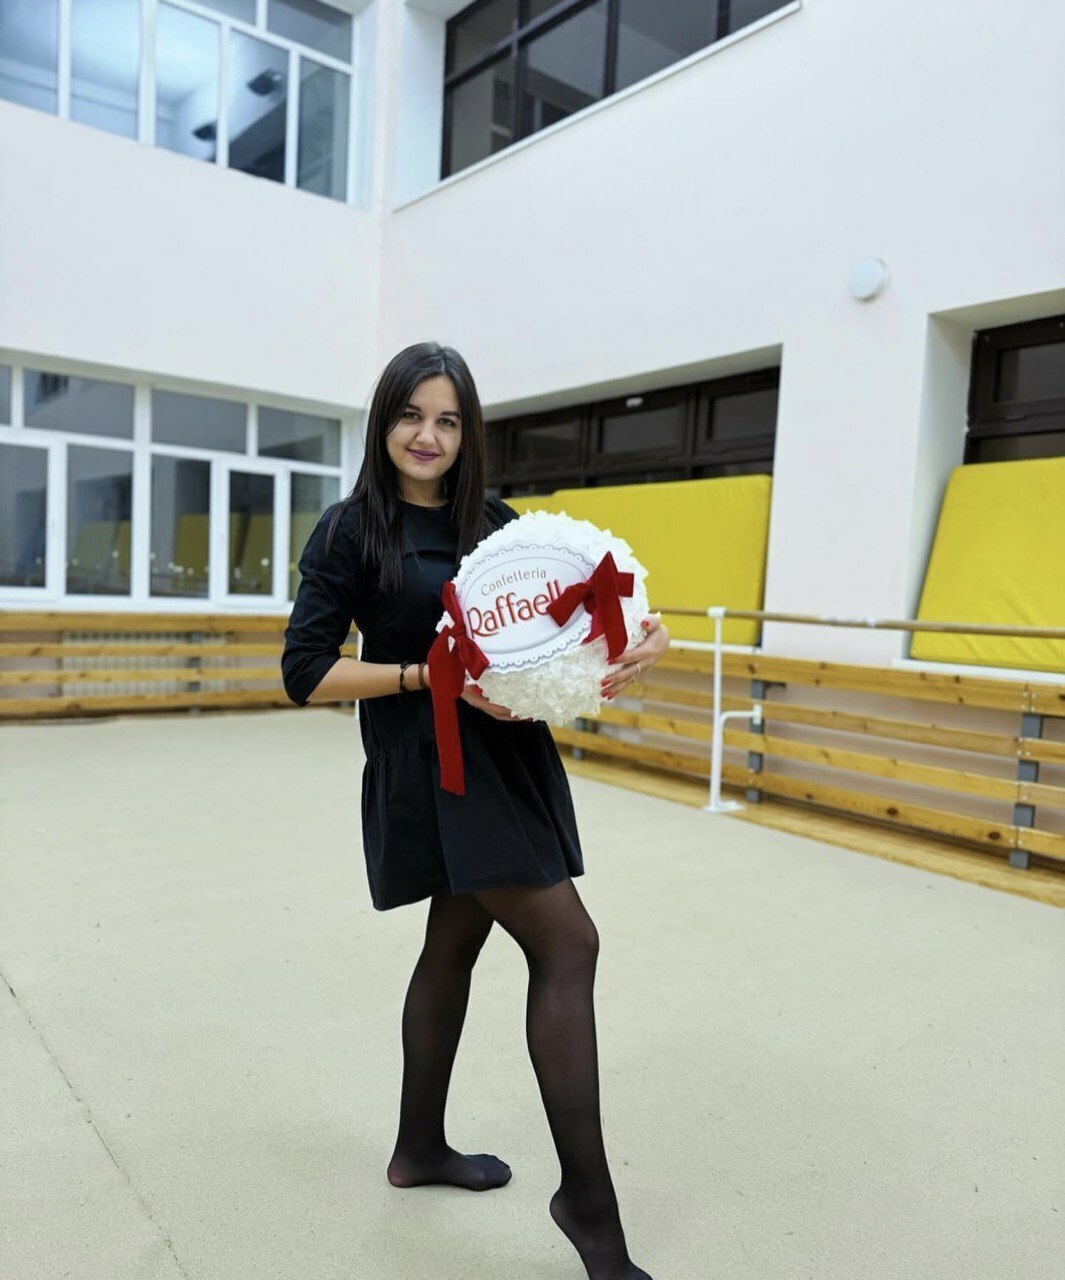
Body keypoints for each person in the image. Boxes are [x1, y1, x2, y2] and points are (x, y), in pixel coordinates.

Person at [281, 342, 669, 1280]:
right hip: (435, 766)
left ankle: (418, 1149)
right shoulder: (349, 530)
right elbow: (305, 672)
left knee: (452, 946)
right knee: (569, 946)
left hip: (506, 755)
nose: (429, 435)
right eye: (412, 415)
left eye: (448, 420)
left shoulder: (497, 526)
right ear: (383, 422)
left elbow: (555, 631)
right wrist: (426, 676)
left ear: (469, 433)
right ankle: (587, 1204)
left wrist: (631, 637)